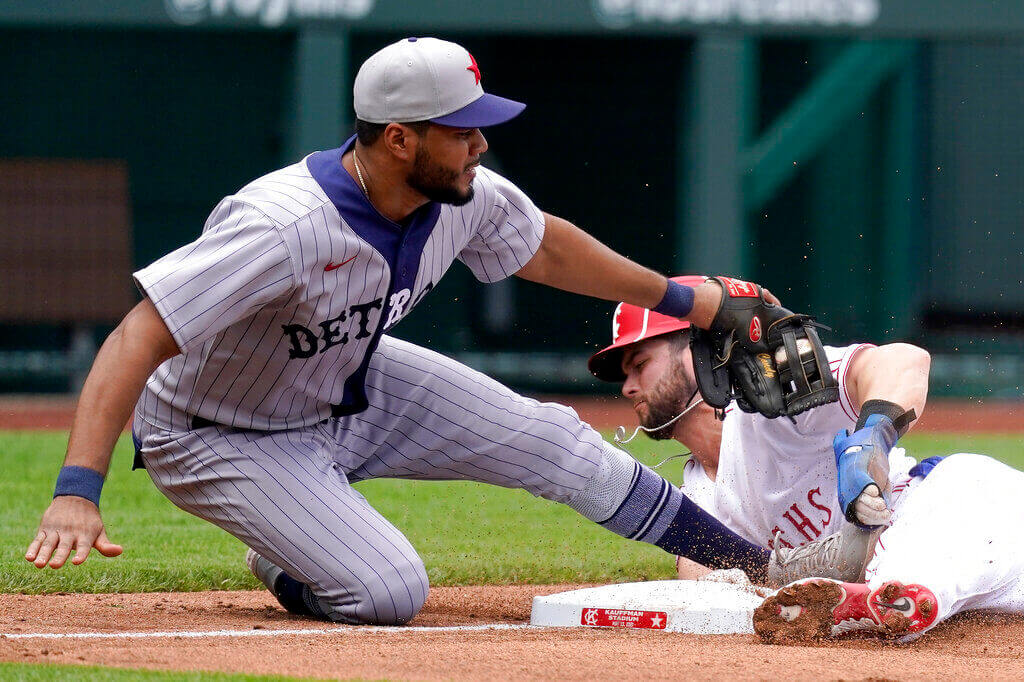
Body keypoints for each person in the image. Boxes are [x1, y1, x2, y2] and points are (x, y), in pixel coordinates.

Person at [28, 38, 858, 626]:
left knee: (554, 439)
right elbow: (136, 337)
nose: (480, 143)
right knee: (387, 592)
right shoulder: (282, 226)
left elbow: (549, 248)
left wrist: (689, 300)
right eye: (461, 129)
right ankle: (287, 555)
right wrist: (77, 489)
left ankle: (759, 569)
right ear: (398, 139)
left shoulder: (460, 197)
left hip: (349, 379)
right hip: (221, 430)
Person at [589, 275, 1024, 642]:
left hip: (953, 504)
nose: (628, 387)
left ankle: (887, 599)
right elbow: (705, 589)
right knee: (904, 586)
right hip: (948, 586)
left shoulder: (774, 401)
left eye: (639, 364)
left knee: (946, 541)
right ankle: (885, 601)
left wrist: (873, 433)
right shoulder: (699, 498)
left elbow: (905, 361)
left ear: (694, 349)